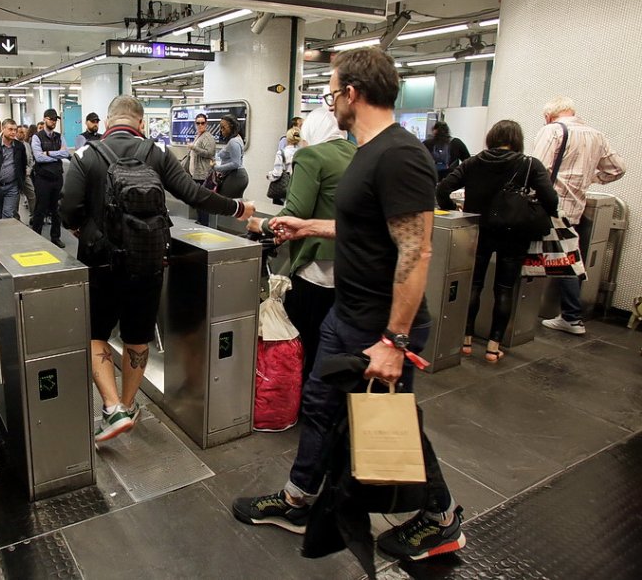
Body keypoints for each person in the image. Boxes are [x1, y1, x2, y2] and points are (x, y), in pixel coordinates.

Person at [234, 47, 465, 562]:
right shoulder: (367, 151)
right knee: (319, 410)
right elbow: (367, 228)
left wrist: (395, 341)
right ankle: (297, 501)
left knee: (393, 426)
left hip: (380, 327)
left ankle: (441, 517)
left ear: (353, 94)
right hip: (347, 314)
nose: (330, 101)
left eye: (333, 92)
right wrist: (309, 225)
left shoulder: (401, 155)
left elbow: (416, 248)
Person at [60, 95, 255, 442]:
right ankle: (129, 404)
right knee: (137, 335)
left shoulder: (85, 155)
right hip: (147, 258)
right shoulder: (157, 152)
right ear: (140, 123)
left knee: (95, 333)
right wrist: (238, 208)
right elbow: (194, 194)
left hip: (101, 260)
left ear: (107, 122)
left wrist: (81, 227)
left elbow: (69, 209)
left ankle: (111, 406)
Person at [437, 120, 558, 362]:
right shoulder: (528, 164)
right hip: (514, 235)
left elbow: (443, 189)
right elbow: (552, 201)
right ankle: (493, 347)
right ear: (517, 140)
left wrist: (460, 213)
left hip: (479, 231)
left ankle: (466, 340)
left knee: (474, 285)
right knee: (504, 289)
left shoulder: (474, 162)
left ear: (491, 137)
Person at [249, 108, 354, 383]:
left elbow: (296, 212)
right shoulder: (355, 154)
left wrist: (259, 225)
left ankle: (307, 400)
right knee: (336, 343)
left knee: (308, 340)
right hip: (351, 265)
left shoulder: (311, 156)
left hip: (317, 268)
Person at [533, 97, 626, 335]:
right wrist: (589, 179)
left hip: (550, 206)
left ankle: (571, 317)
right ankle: (567, 315)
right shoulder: (596, 135)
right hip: (576, 207)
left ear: (548, 116)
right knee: (567, 257)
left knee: (563, 261)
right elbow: (617, 169)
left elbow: (538, 170)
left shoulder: (552, 131)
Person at [30, 108, 69, 248]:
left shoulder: (59, 136)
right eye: (51, 119)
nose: (53, 121)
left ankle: (55, 237)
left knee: (56, 210)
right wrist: (55, 154)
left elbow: (65, 154)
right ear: (45, 119)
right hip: (43, 179)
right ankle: (36, 236)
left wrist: (48, 153)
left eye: (55, 120)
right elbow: (39, 157)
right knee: (40, 209)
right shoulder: (36, 137)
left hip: (57, 178)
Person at [187, 113, 217, 226]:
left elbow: (210, 153)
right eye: (198, 123)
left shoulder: (207, 137)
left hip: (203, 174)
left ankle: (204, 224)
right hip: (196, 173)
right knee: (197, 200)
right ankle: (200, 221)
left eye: (202, 123)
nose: (200, 125)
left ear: (206, 123)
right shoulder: (198, 135)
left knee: (202, 201)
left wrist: (193, 147)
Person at [213, 115, 248, 199]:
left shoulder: (233, 142)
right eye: (220, 128)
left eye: (223, 128)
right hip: (236, 176)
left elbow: (236, 163)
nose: (221, 131)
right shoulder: (237, 139)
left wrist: (217, 168)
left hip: (236, 176)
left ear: (231, 127)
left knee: (225, 203)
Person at [266, 127, 302, 206]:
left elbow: (277, 174)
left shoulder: (282, 153)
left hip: (283, 189)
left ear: (287, 138)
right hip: (297, 188)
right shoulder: (302, 153)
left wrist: (269, 176)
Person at [15, 125, 36, 221]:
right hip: (15, 176)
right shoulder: (13, 144)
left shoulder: (27, 145)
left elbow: (31, 159)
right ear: (16, 132)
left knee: (32, 194)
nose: (23, 134)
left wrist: (29, 170)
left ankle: (33, 216)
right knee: (15, 197)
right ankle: (15, 218)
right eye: (21, 132)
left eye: (25, 132)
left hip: (25, 174)